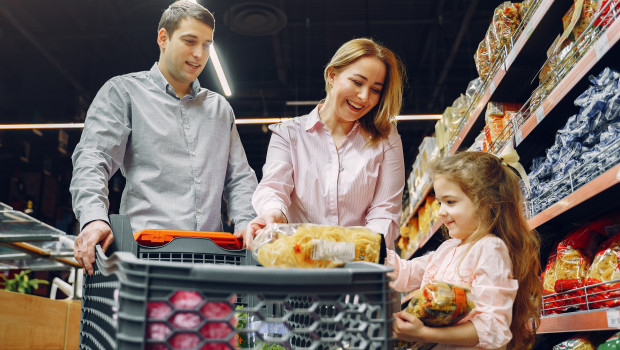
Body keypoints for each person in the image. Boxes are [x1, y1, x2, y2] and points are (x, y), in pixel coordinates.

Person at [70, 0, 257, 275]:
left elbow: (239, 177)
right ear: (163, 38)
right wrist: (93, 218)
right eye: (190, 41)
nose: (199, 54)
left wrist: (247, 223)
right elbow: (93, 159)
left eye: (206, 44)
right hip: (143, 260)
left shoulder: (219, 109)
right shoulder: (124, 93)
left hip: (211, 262)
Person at [242, 38, 406, 250]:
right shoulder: (288, 135)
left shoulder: (386, 138)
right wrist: (274, 213)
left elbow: (385, 211)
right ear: (332, 75)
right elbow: (274, 187)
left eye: (375, 90)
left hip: (362, 268)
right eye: (357, 82)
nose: (364, 97)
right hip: (301, 264)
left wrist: (349, 251)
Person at [388, 151, 542, 349]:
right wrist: (364, 249)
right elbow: (405, 273)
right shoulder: (448, 249)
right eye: (439, 203)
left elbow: (493, 327)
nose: (441, 212)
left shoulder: (490, 249)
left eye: (450, 202)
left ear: (487, 203)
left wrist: (424, 333)